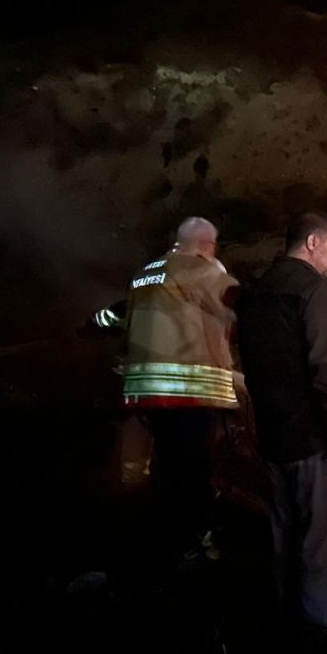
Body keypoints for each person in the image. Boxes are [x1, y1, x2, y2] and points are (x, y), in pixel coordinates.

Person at [236, 212, 327, 632]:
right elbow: (326, 368)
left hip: (274, 436)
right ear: (312, 243)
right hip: (314, 440)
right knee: (321, 542)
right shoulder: (314, 290)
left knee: (284, 535)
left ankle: (282, 622)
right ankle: (311, 634)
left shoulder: (256, 291)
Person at [116, 216, 239, 560]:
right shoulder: (199, 269)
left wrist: (91, 324)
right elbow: (238, 302)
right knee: (194, 467)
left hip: (146, 389)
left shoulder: (146, 272)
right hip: (186, 390)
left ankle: (164, 536)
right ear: (207, 244)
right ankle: (196, 541)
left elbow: (119, 315)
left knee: (166, 463)